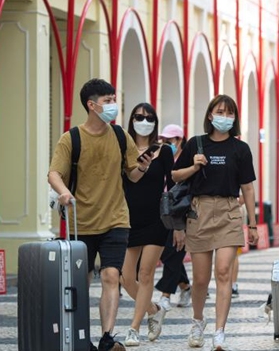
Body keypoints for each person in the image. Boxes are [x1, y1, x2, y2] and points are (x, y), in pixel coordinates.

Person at [47, 78, 151, 351]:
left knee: (111, 276)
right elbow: (54, 173)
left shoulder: (120, 136)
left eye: (113, 99)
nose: (113, 105)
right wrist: (63, 192)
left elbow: (133, 175)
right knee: (81, 281)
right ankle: (81, 335)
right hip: (80, 223)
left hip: (116, 218)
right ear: (91, 105)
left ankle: (106, 337)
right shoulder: (71, 138)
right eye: (107, 101)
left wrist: (143, 167)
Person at [172, 95, 259, 350]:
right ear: (210, 115)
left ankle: (219, 332)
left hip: (230, 211)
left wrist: (252, 224)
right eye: (220, 111)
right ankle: (198, 322)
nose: (225, 116)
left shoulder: (240, 149)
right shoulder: (195, 144)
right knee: (200, 279)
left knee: (223, 272)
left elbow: (248, 188)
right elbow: (176, 175)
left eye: (230, 113)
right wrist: (194, 167)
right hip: (199, 211)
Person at [120, 103, 173, 346]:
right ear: (131, 120)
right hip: (128, 219)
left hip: (156, 220)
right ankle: (154, 310)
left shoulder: (164, 151)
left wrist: (178, 224)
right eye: (139, 117)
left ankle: (134, 328)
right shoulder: (124, 148)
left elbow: (173, 187)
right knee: (125, 276)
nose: (144, 121)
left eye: (149, 117)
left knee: (146, 273)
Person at [155, 124, 192, 311]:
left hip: (180, 212)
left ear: (179, 140)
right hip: (161, 210)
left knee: (174, 252)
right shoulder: (161, 155)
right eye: (163, 140)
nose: (165, 144)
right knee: (167, 252)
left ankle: (165, 295)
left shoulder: (186, 159)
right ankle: (185, 286)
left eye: (169, 141)